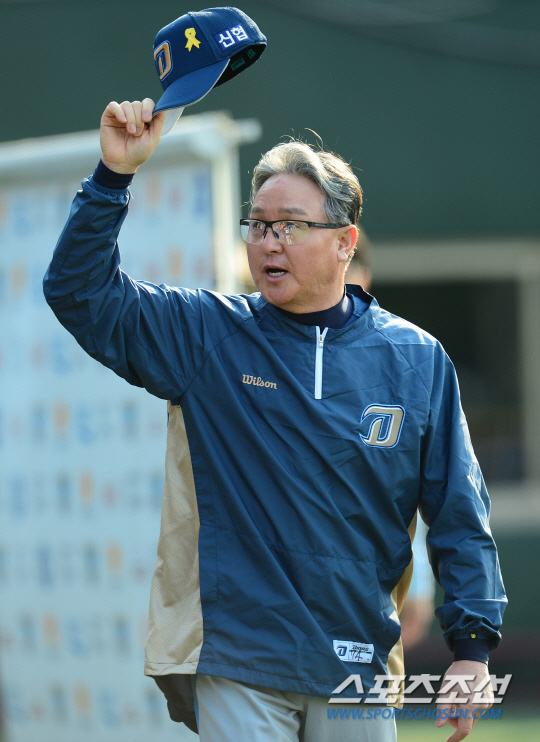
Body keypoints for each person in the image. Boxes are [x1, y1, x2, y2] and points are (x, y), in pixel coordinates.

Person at [43, 98, 507, 742]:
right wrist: (113, 176)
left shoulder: (417, 359)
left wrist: (472, 649)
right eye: (258, 225)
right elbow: (79, 292)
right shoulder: (206, 334)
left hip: (358, 662)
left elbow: (459, 511)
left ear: (344, 243)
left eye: (290, 226)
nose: (268, 242)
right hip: (238, 656)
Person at [346, 233, 437, 652]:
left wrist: (419, 586)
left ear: (365, 275)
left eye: (350, 266)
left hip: (376, 584)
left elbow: (407, 487)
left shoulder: (401, 355)